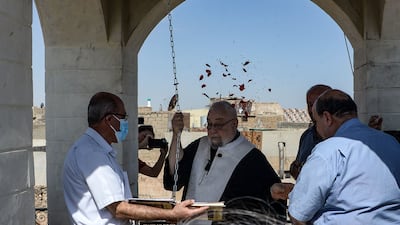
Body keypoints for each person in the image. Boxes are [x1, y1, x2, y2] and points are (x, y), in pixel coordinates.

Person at [63, 92, 207, 225]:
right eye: (123, 117)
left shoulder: (96, 150)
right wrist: (171, 214)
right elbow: (118, 209)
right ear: (109, 119)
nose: (126, 123)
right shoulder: (92, 154)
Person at [287, 89, 400, 224]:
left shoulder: (327, 151)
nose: (316, 128)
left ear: (327, 118)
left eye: (316, 122)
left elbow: (299, 215)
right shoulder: (391, 142)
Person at [163, 100, 286, 219]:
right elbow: (175, 175)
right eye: (209, 124)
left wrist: (272, 191)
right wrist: (176, 134)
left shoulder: (251, 157)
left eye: (219, 124)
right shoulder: (199, 145)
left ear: (234, 124)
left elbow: (267, 197)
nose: (212, 129)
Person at [289, 84, 332, 179]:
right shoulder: (306, 136)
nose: (312, 110)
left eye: (317, 104)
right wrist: (296, 171)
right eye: (310, 105)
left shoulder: (343, 137)